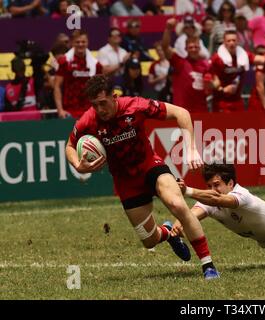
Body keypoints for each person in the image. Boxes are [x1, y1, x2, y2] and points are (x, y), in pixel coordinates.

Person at [65, 75, 220, 280]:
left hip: (150, 167)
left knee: (178, 205)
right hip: (125, 182)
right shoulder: (89, 120)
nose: (100, 109)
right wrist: (78, 165)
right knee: (149, 240)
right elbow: (69, 145)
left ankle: (208, 265)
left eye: (103, 103)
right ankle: (167, 232)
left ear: (114, 96)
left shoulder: (135, 106)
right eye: (95, 105)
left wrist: (191, 148)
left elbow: (180, 112)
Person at [163, 18, 212, 113]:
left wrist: (212, 85)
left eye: (196, 47)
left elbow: (213, 84)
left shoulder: (206, 65)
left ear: (200, 48)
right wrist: (168, 29)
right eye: (191, 47)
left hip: (201, 111)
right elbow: (165, 47)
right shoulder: (179, 62)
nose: (193, 49)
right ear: (185, 48)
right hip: (182, 112)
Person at [54, 29, 103, 119]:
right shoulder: (64, 61)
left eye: (83, 42)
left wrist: (99, 109)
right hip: (69, 111)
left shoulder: (96, 64)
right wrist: (60, 110)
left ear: (87, 43)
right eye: (77, 42)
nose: (80, 44)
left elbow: (99, 89)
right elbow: (57, 86)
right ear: (72, 43)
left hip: (90, 111)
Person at [210, 30, 250, 112]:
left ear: (238, 42)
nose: (231, 43)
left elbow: (261, 60)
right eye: (229, 40)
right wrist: (222, 89)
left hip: (238, 101)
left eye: (234, 40)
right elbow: (210, 78)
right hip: (221, 102)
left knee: (241, 125)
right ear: (224, 42)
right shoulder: (216, 59)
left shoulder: (244, 56)